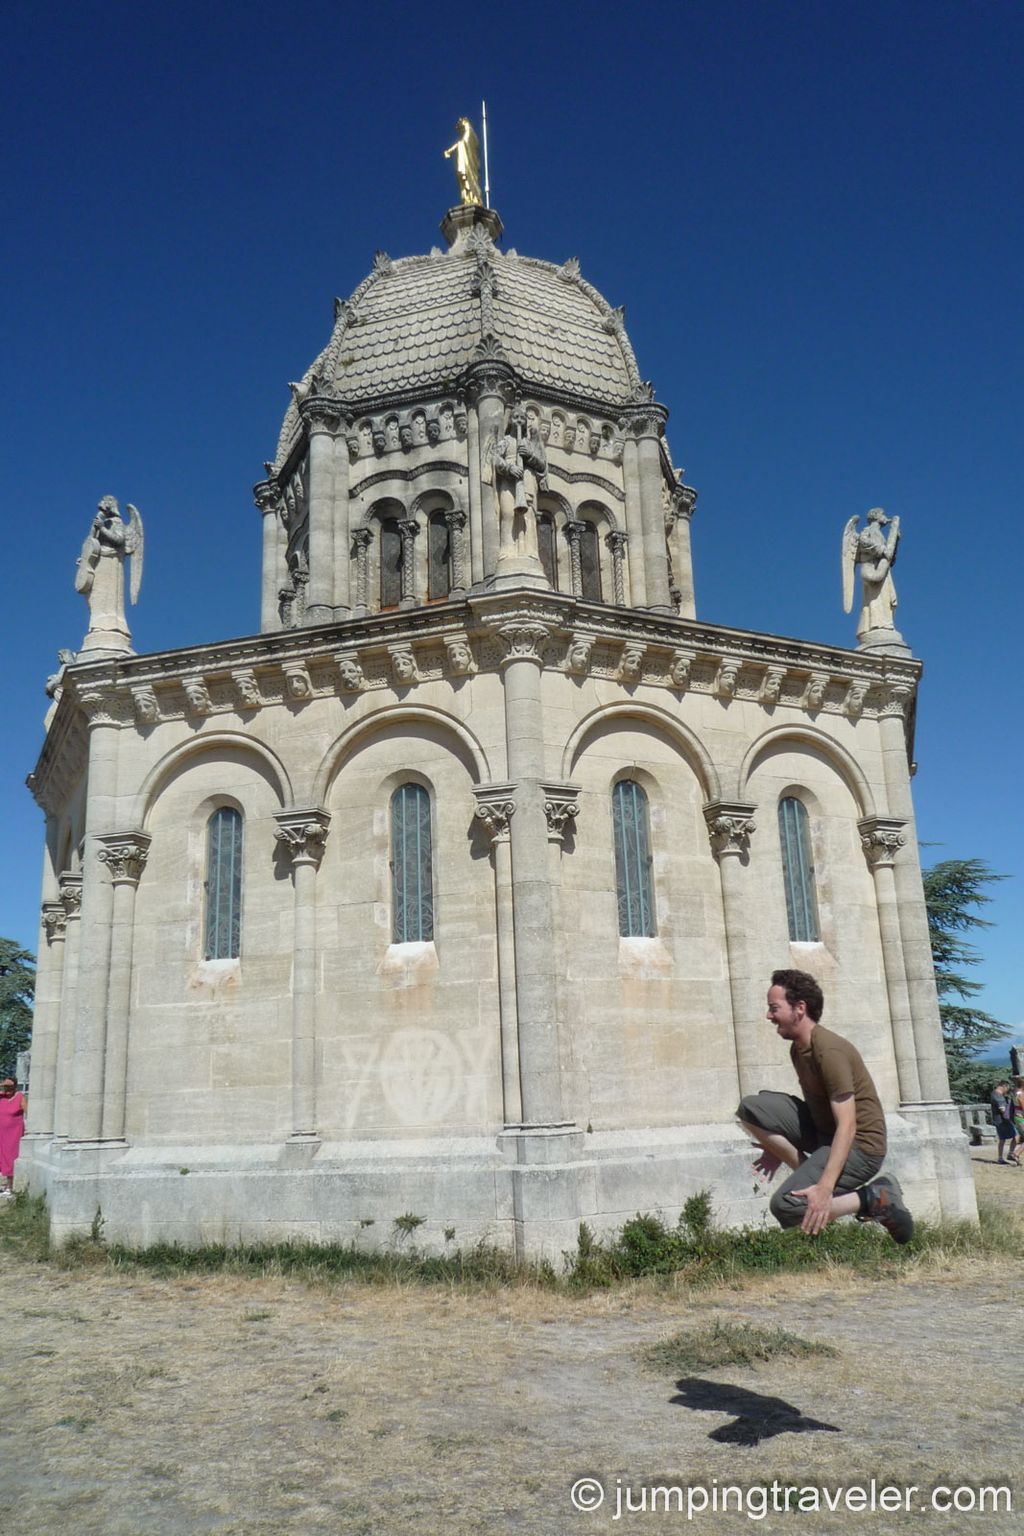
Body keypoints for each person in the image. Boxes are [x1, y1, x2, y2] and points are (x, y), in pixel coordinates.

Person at [737, 969, 914, 1243]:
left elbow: (848, 1125)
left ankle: (875, 1197)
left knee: (785, 1205)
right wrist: (776, 1148)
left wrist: (825, 1187)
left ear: (799, 1008)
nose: (768, 1016)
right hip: (825, 1134)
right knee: (752, 1108)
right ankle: (812, 1177)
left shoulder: (829, 1051)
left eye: (774, 1008)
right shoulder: (798, 1048)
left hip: (861, 1147)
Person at [0, 1075, 26, 1200]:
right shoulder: (2, 1097)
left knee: (10, 1158)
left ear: (15, 1086)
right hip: (2, 1133)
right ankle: (5, 1185)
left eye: (10, 1087)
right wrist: (2, 1085)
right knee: (2, 1158)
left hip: (14, 1134)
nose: (8, 1089)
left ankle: (10, 1187)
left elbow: (28, 1111)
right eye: (6, 1087)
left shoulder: (20, 1097)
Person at [989, 1081, 1018, 1165]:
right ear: (1004, 1086)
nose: (1007, 1090)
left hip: (999, 1120)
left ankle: (1002, 1157)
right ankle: (1008, 1154)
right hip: (1002, 1121)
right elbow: (1003, 1110)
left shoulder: (994, 1094)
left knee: (1003, 1139)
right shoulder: (998, 1096)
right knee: (1016, 1135)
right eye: (1007, 1088)